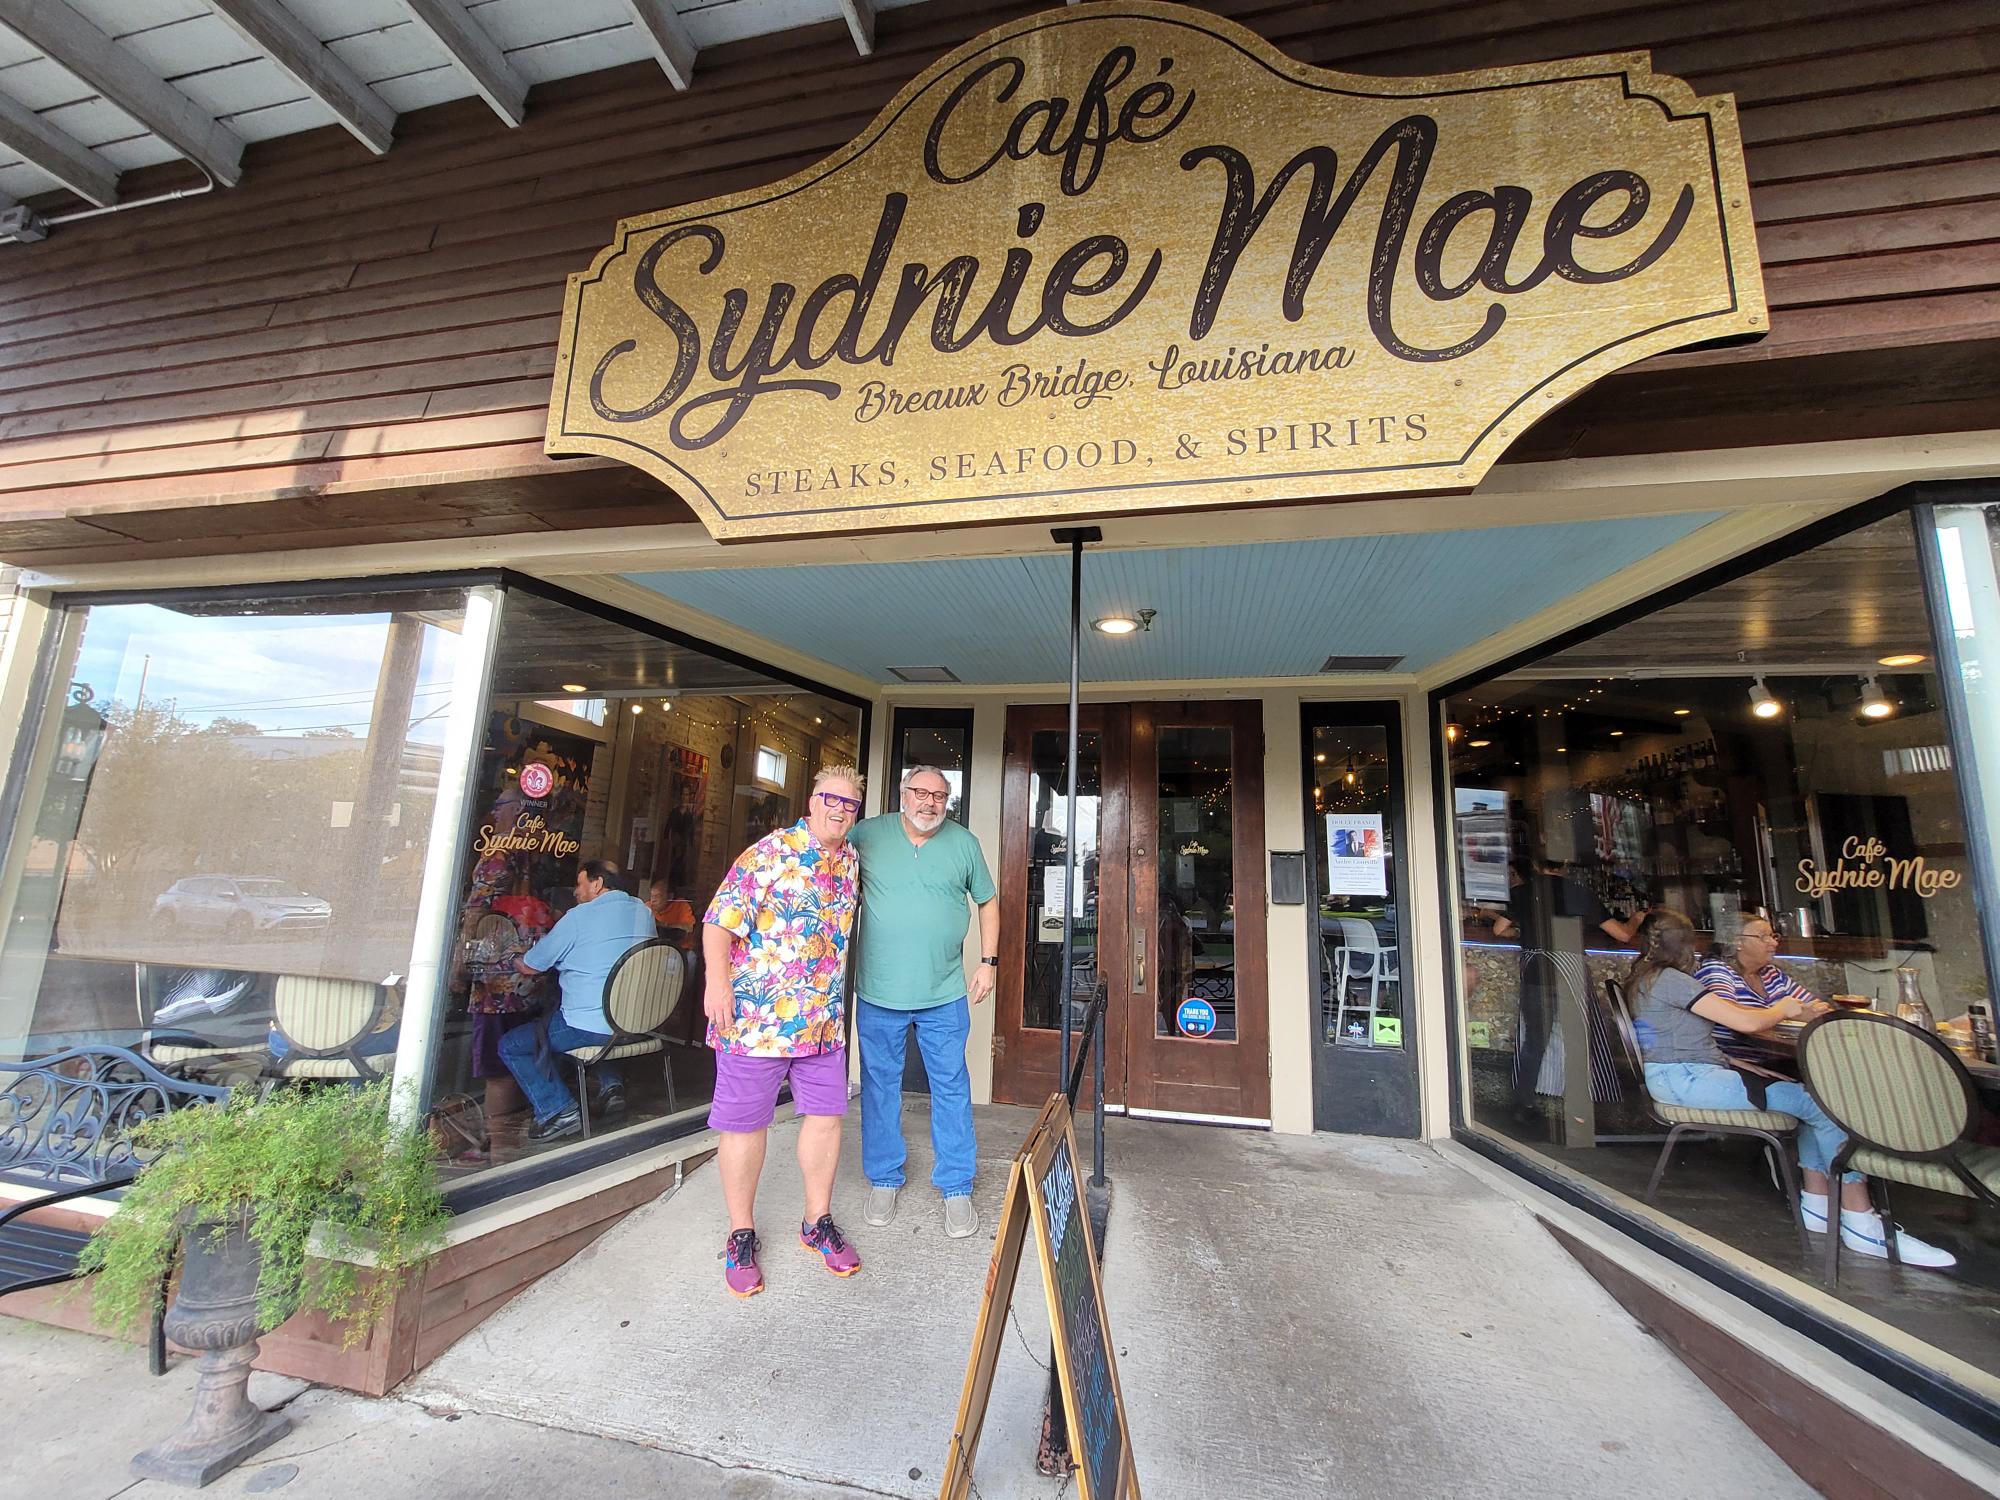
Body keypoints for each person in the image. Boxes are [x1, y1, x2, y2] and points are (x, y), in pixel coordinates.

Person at [1624, 907, 1954, 1268]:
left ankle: (1818, 1205)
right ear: (1687, 946)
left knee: (1812, 1101)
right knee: (1827, 1107)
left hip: (1683, 1078)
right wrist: (1784, 1008)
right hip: (1689, 1080)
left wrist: (1761, 1046)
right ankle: (1861, 1221)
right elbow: (1744, 1022)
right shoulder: (1674, 980)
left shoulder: (1646, 976)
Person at [702, 765, 864, 1298]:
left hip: (820, 1022)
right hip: (756, 1021)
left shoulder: (850, 863)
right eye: (831, 800)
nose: (840, 810)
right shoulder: (770, 853)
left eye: (850, 804)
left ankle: (816, 1222)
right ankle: (740, 1232)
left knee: (826, 1120)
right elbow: (718, 922)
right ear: (812, 801)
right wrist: (716, 985)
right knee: (747, 1125)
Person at [847, 765, 998, 1239]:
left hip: (944, 992)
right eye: (921, 792)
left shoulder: (963, 843)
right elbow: (824, 869)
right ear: (903, 793)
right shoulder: (866, 835)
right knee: (879, 1087)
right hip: (878, 992)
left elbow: (988, 902)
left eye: (940, 795)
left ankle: (956, 1186)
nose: (930, 802)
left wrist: (988, 961)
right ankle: (885, 1178)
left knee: (951, 1087)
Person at [499, 858, 656, 1144]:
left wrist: (510, 956)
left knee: (512, 1045)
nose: (575, 891)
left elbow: (533, 965)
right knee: (590, 1017)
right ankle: (612, 1086)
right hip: (636, 1022)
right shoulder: (643, 913)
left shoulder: (577, 917)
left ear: (597, 884)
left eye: (580, 884)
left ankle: (558, 1110)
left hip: (592, 1026)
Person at [1696, 911, 1825, 1069]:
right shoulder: (1715, 969)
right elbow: (1727, 1011)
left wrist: (1815, 1010)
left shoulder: (1771, 973)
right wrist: (1787, 1012)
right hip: (1737, 1065)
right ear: (1737, 942)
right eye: (1764, 936)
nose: (1774, 943)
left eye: (1773, 936)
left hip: (1778, 1059)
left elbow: (1814, 1007)